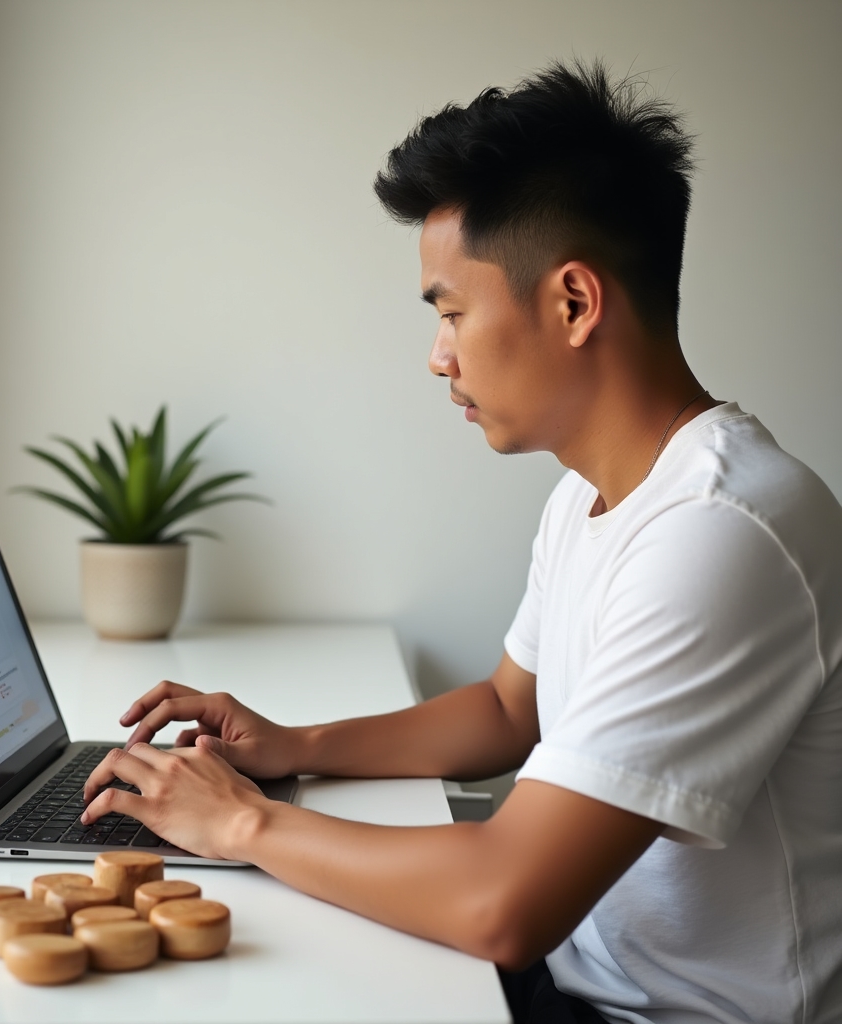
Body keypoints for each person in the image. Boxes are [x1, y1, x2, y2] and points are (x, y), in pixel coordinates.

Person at [81, 61, 842, 1023]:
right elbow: (504, 710)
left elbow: (503, 904)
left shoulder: (724, 531)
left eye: (450, 312)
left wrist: (242, 822)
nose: (438, 356)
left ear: (573, 303)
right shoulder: (594, 495)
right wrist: (291, 746)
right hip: (576, 981)